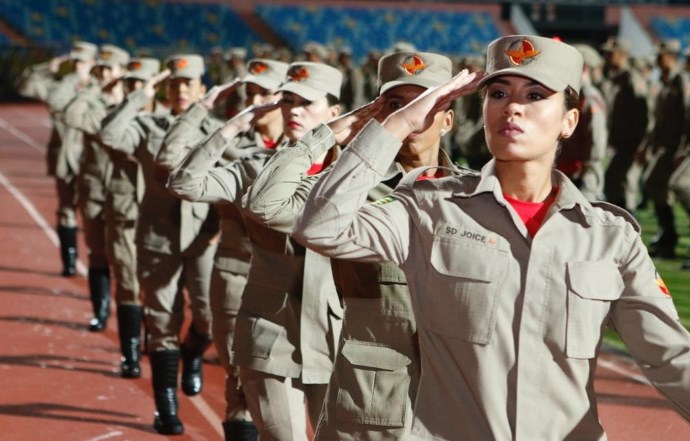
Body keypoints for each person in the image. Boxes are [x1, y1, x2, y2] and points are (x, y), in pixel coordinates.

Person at [293, 35, 690, 440]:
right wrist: (395, 126)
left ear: (569, 121)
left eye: (536, 94)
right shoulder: (429, 209)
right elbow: (319, 225)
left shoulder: (609, 239)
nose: (513, 106)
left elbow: (671, 357)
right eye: (498, 92)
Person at [245, 51, 455, 441]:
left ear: (447, 119)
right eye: (396, 105)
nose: (409, 115)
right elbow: (265, 204)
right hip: (369, 403)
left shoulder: (473, 192)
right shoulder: (344, 191)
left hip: (451, 403)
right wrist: (330, 133)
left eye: (423, 103)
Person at [168, 61, 344, 441]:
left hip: (333, 333)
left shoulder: (354, 174)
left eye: (306, 103)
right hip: (271, 328)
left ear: (334, 114)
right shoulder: (255, 169)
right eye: (288, 101)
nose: (293, 110)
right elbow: (185, 183)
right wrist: (231, 127)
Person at [158, 58, 289, 441]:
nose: (258, 102)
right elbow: (171, 163)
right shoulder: (233, 145)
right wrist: (217, 118)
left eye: (268, 94)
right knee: (243, 388)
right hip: (239, 277)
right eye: (251, 94)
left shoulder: (314, 150)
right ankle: (193, 353)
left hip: (297, 289)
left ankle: (193, 345)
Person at [100, 54, 219, 435]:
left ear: (202, 88)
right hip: (159, 237)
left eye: (189, 83)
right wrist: (139, 95)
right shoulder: (148, 126)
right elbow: (109, 134)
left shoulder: (219, 130)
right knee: (162, 322)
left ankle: (192, 353)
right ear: (166, 90)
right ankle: (166, 406)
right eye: (175, 84)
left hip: (204, 238)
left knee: (209, 316)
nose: (181, 90)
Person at [103, 57, 163, 377]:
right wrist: (135, 99)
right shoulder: (118, 117)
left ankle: (157, 343)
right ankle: (130, 355)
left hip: (159, 218)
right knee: (128, 283)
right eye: (133, 84)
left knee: (157, 291)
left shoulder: (168, 120)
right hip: (126, 213)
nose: (138, 89)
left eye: (145, 83)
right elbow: (109, 134)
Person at [64, 44, 130, 332]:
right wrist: (94, 89)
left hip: (128, 196)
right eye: (99, 69)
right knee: (98, 253)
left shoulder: (138, 104)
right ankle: (100, 311)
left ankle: (137, 328)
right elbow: (71, 116)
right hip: (95, 191)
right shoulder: (92, 103)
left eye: (109, 69)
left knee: (129, 261)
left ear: (123, 72)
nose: (104, 74)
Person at [18, 41, 98, 277]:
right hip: (65, 157)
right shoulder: (62, 85)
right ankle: (70, 261)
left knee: (95, 213)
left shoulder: (98, 87)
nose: (78, 66)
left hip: (90, 160)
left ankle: (99, 263)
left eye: (83, 62)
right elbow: (26, 87)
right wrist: (49, 67)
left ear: (93, 63)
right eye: (75, 62)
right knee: (66, 210)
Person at [642, 39, 690, 258]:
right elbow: (659, 119)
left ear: (671, 56)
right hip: (665, 145)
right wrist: (648, 144)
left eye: (661, 56)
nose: (658, 61)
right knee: (653, 182)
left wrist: (682, 149)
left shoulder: (683, 81)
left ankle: (671, 236)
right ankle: (668, 234)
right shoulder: (665, 81)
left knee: (680, 186)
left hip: (679, 145)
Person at [600, 37, 649, 214]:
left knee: (625, 184)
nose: (606, 56)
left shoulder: (632, 79)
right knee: (612, 181)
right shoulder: (617, 78)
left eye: (610, 53)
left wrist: (641, 144)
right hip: (620, 142)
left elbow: (644, 113)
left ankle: (630, 225)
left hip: (631, 143)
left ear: (622, 55)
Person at [556, 43, 607, 201]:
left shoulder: (589, 98)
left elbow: (596, 139)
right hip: (568, 166)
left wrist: (586, 170)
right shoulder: (573, 92)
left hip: (583, 171)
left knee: (584, 215)